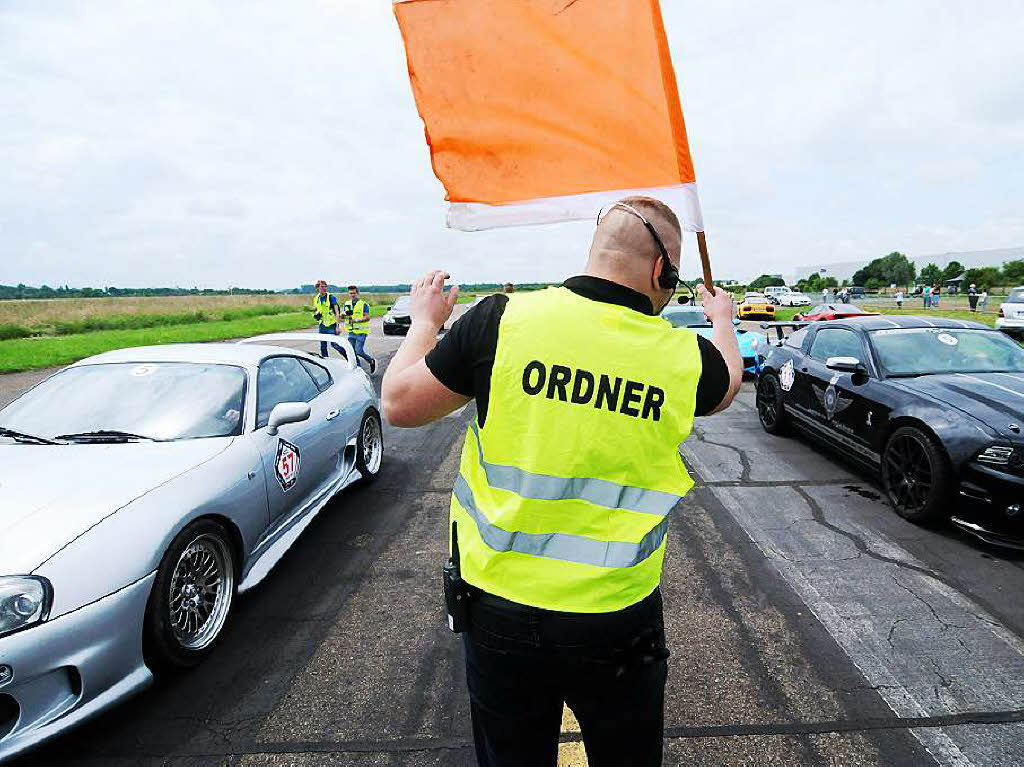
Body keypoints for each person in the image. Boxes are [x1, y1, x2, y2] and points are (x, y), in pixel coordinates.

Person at [381, 197, 742, 766]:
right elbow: (727, 386)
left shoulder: (502, 320)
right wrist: (721, 319)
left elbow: (399, 404)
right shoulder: (682, 356)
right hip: (617, 617)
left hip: (500, 609)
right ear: (661, 272)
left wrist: (425, 322)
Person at [343, 285, 377, 374]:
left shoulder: (363, 304)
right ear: (348, 294)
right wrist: (343, 316)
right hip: (351, 332)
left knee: (359, 351)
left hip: (361, 332)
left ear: (357, 293)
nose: (352, 295)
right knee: (352, 352)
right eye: (350, 293)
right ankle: (358, 370)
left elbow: (367, 317)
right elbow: (344, 316)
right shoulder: (346, 304)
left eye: (354, 293)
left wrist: (356, 320)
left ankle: (371, 361)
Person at [311, 279, 343, 358]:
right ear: (317, 288)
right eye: (322, 287)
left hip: (332, 325)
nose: (324, 288)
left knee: (335, 345)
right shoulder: (316, 298)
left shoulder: (331, 297)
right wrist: (315, 314)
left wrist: (337, 326)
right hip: (322, 325)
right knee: (323, 347)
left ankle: (350, 357)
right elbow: (317, 309)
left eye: (325, 286)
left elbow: (337, 312)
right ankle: (326, 363)